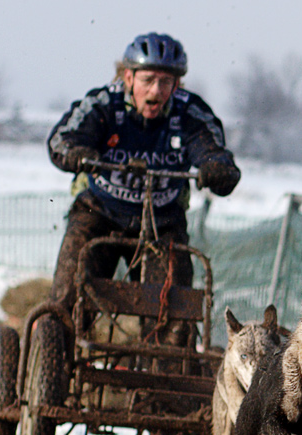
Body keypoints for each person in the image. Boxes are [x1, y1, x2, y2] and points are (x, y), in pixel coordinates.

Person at [47, 32, 240, 319]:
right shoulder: (103, 105)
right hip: (99, 212)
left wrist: (215, 167)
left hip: (162, 222)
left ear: (177, 84)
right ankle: (55, 348)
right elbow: (62, 139)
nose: (156, 91)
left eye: (165, 82)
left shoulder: (190, 113)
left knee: (172, 315)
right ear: (128, 78)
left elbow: (212, 149)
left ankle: (165, 359)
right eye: (147, 80)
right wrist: (77, 152)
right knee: (69, 302)